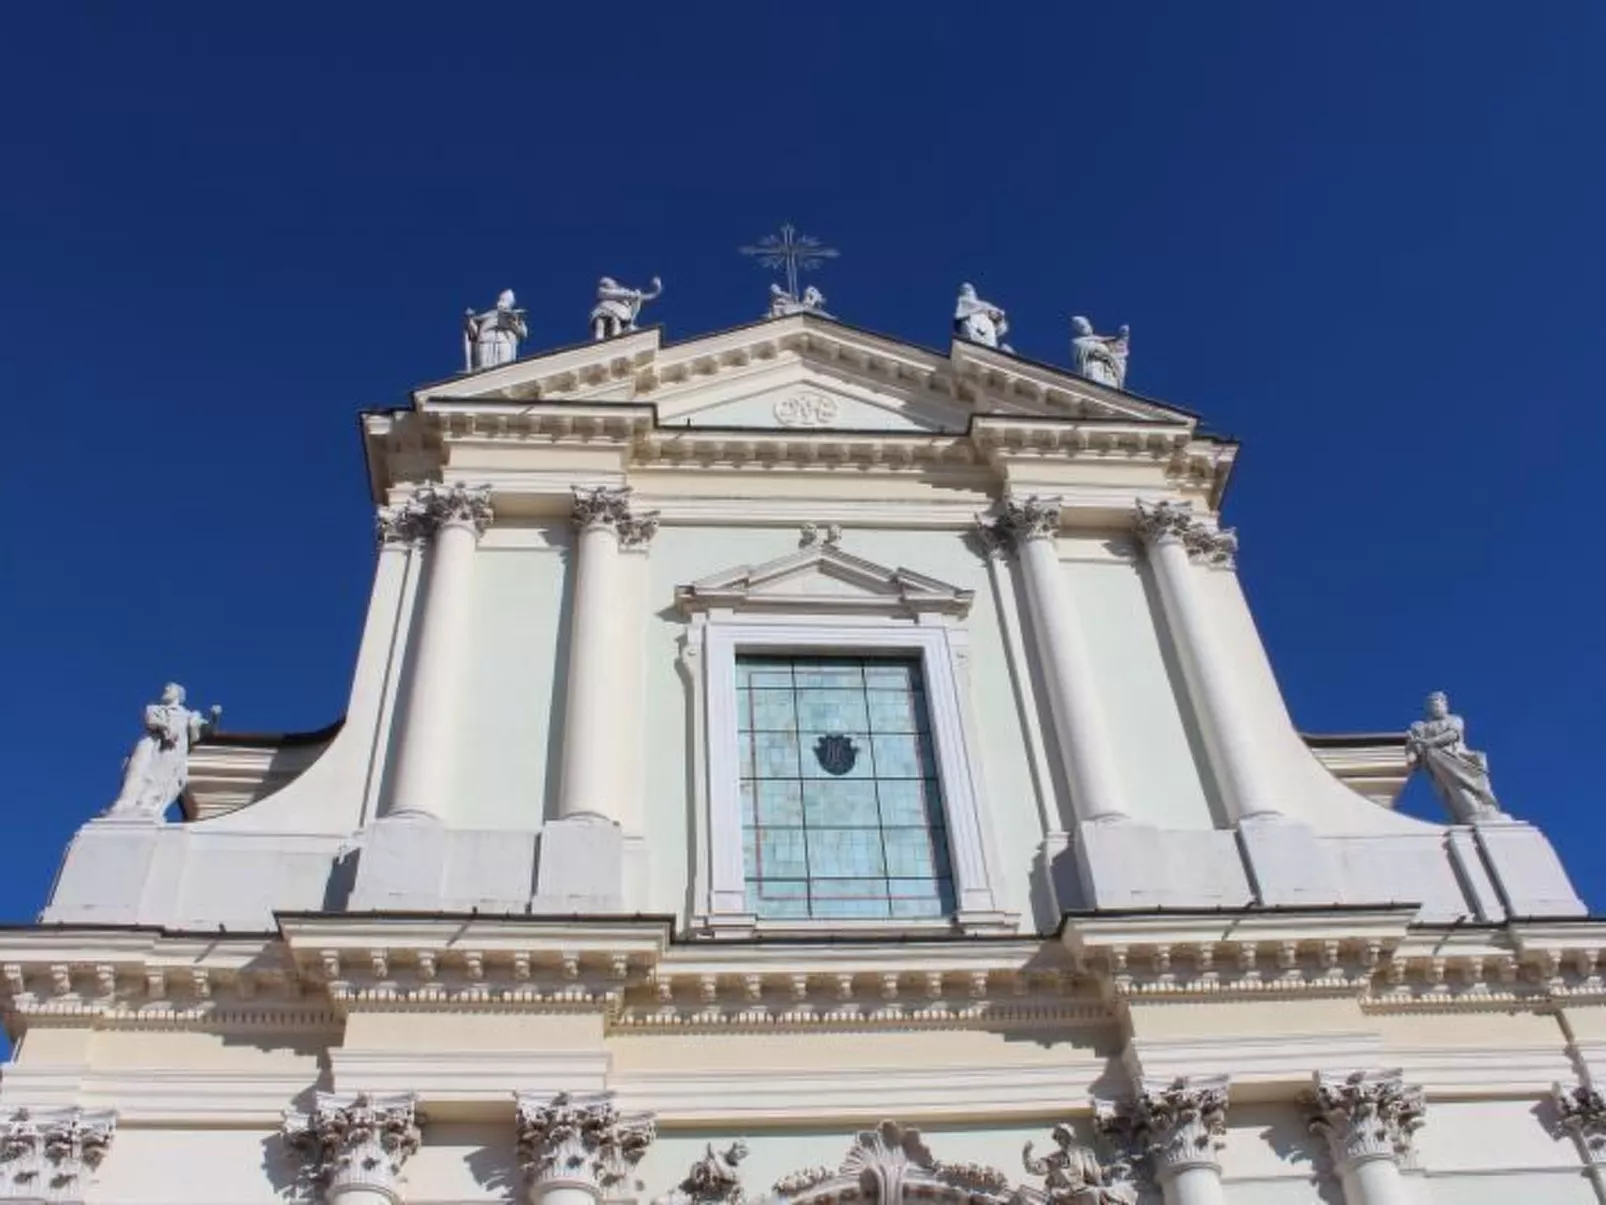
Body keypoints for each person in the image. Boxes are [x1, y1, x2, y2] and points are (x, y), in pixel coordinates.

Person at [105, 684, 221, 820]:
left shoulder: (188, 715)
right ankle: (124, 803)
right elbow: (151, 720)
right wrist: (166, 728)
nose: (165, 691)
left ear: (179, 695)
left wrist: (214, 718)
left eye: (169, 689)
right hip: (150, 743)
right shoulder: (154, 708)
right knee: (136, 771)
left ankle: (147, 805)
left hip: (172, 750)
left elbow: (203, 729)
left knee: (162, 777)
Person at [1405, 691, 1504, 823]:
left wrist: (1430, 742)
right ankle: (1468, 813)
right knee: (1452, 789)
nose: (1435, 708)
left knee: (1468, 784)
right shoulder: (1424, 726)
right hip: (1438, 763)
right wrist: (1413, 746)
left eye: (1437, 704)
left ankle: (1479, 811)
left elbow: (1453, 734)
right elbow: (1416, 750)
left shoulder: (1454, 719)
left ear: (1445, 705)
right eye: (1432, 706)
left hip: (1457, 758)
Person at [462, 289, 528, 371]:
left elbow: (523, 333)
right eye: (502, 299)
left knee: (505, 367)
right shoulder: (489, 315)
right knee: (484, 368)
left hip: (504, 340)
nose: (502, 302)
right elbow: (474, 332)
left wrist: (515, 321)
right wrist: (470, 319)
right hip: (486, 340)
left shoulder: (515, 316)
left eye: (506, 300)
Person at [591, 276, 663, 340]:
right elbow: (621, 295)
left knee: (615, 322)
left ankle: (616, 339)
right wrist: (636, 296)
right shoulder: (603, 291)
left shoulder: (622, 292)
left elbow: (634, 300)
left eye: (608, 282)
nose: (606, 284)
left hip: (619, 312)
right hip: (605, 309)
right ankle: (599, 340)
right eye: (604, 283)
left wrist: (638, 296)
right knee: (601, 323)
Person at [1070, 316, 1131, 389]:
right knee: (1095, 385)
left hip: (1108, 366)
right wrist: (1101, 349)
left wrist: (1124, 336)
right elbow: (1083, 349)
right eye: (1081, 326)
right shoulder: (1078, 342)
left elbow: (1120, 349)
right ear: (1078, 330)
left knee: (1111, 389)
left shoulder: (1105, 340)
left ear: (1090, 325)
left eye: (1085, 325)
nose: (1084, 327)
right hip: (1094, 365)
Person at [953, 283, 1011, 351]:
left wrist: (998, 317)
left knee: (990, 348)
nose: (968, 291)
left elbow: (1002, 327)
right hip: (972, 328)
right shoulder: (963, 304)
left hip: (987, 329)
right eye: (965, 290)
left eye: (969, 289)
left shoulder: (985, 305)